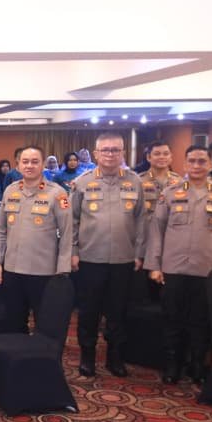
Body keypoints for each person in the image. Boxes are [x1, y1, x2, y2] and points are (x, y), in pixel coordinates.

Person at [146, 145, 212, 384]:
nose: (197, 166)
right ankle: (172, 365)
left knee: (200, 321)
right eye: (192, 161)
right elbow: (157, 231)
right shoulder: (170, 193)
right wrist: (154, 265)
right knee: (172, 319)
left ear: (210, 165)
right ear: (185, 164)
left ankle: (197, 365)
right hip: (173, 268)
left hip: (205, 269)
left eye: (202, 161)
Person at [70, 133, 145, 378]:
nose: (110, 154)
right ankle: (87, 356)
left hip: (124, 258)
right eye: (105, 150)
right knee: (88, 311)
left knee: (118, 311)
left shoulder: (134, 182)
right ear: (96, 154)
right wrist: (73, 251)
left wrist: (139, 253)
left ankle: (115, 357)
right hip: (90, 258)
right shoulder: (82, 183)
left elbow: (141, 221)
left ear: (123, 153)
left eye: (115, 150)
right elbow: (72, 221)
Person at [0, 146, 73, 334]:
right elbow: (1, 230)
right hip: (12, 269)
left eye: (35, 162)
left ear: (43, 165)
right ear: (18, 165)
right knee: (14, 323)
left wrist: (62, 270)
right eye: (25, 161)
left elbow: (67, 233)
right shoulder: (10, 191)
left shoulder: (58, 194)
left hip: (43, 271)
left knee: (45, 324)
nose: (29, 166)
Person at [138, 140, 182, 258]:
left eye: (166, 154)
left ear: (171, 157)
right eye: (157, 154)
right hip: (145, 241)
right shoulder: (138, 181)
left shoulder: (180, 182)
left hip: (172, 241)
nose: (162, 157)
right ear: (148, 157)